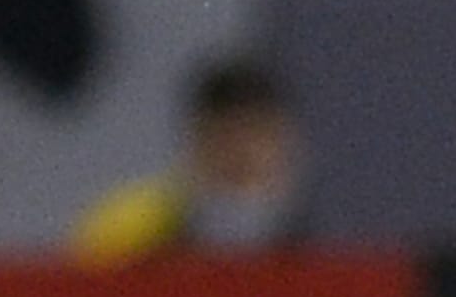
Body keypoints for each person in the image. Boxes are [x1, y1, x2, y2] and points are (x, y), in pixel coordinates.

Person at [72, 56, 307, 259]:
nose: (241, 154)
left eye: (256, 134)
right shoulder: (128, 237)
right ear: (195, 143)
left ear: (285, 144)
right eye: (225, 135)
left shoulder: (323, 247)